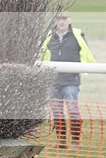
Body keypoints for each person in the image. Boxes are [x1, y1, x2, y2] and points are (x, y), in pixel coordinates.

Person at [41, 12, 96, 150]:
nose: (61, 21)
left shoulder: (77, 35)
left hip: (71, 79)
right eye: (59, 18)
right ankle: (61, 141)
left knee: (73, 110)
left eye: (64, 18)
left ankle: (75, 142)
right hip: (53, 80)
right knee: (56, 111)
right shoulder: (49, 37)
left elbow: (86, 53)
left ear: (69, 20)